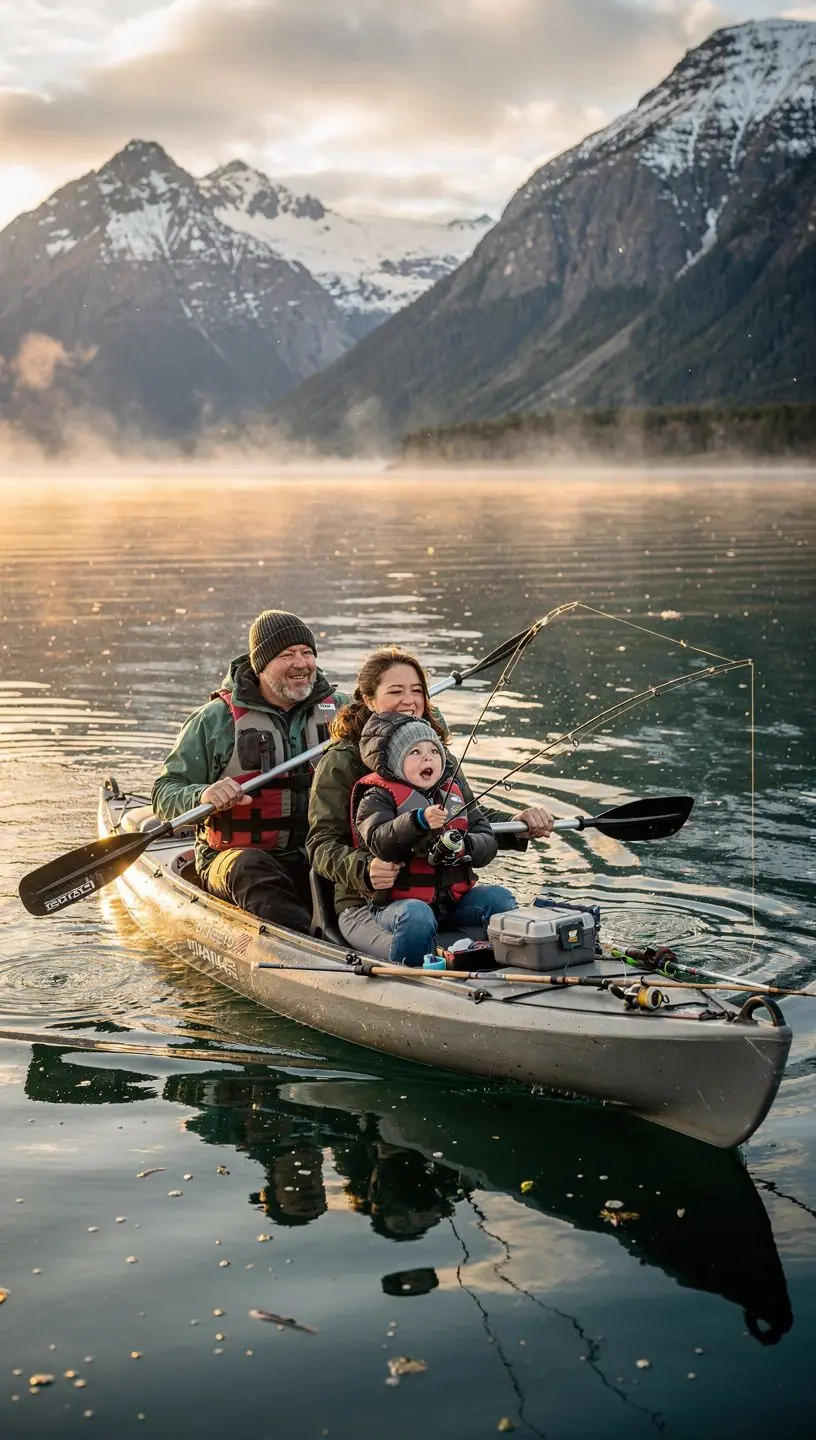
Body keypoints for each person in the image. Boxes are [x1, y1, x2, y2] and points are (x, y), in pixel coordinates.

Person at [307, 646, 554, 959]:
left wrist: (519, 822)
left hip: (443, 900)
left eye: (417, 691)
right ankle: (427, 977)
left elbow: (467, 814)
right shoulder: (341, 761)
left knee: (500, 903)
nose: (409, 701)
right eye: (395, 691)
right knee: (416, 919)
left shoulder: (439, 756)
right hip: (372, 904)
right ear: (369, 700)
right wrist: (366, 869)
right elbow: (320, 845)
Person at [152, 609, 347, 933]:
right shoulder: (214, 720)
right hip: (238, 861)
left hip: (318, 855)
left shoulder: (342, 709)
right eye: (288, 654)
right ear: (261, 665)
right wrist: (203, 793)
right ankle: (314, 947)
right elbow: (164, 793)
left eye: (307, 653)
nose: (302, 663)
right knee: (251, 868)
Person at [344, 710, 516, 964]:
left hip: (454, 902)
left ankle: (511, 962)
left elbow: (487, 838)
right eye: (415, 752)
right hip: (397, 905)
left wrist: (466, 846)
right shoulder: (377, 796)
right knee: (417, 915)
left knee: (499, 898)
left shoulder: (453, 793)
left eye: (434, 751)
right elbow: (380, 841)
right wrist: (418, 821)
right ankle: (411, 977)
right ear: (394, 761)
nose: (428, 757)